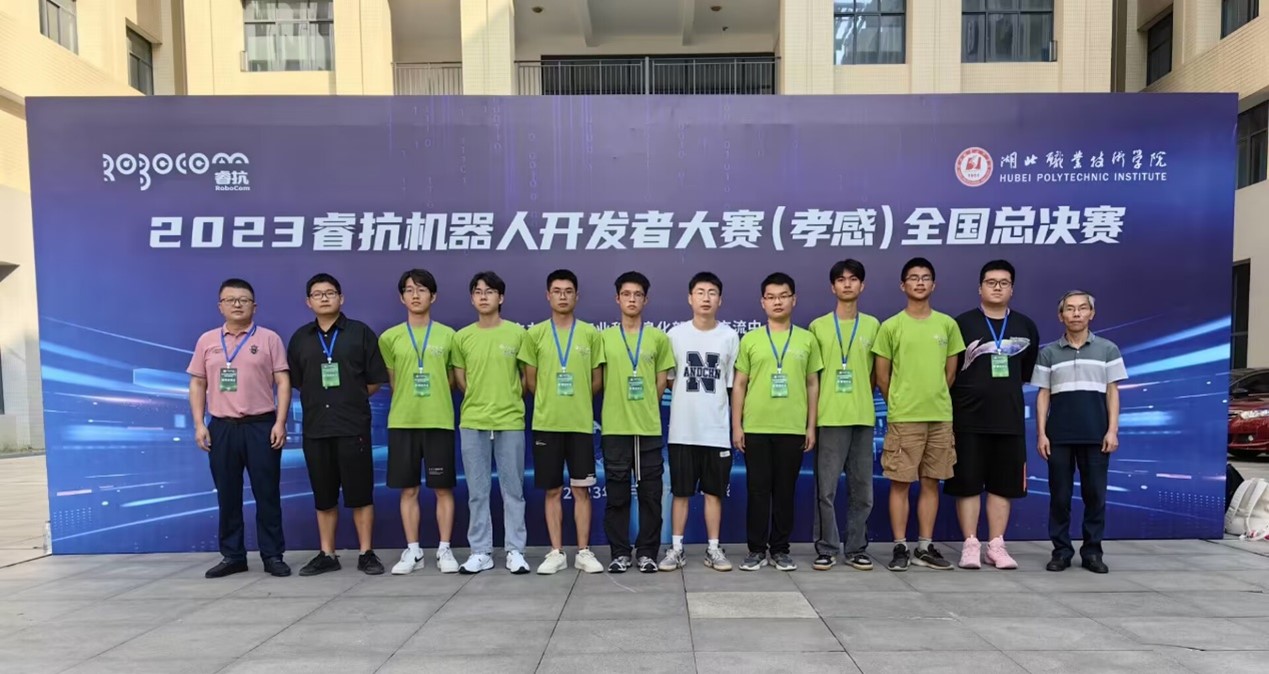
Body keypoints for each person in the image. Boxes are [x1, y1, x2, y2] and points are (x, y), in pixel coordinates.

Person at [187, 279, 292, 579]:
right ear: (220, 306)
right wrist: (199, 423)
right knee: (228, 494)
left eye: (243, 299)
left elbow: (283, 381)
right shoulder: (207, 340)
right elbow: (198, 383)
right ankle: (233, 556)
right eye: (230, 299)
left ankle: (273, 555)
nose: (237, 304)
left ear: (254, 306)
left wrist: (280, 422)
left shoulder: (269, 339)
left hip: (261, 425)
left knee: (267, 494)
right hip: (222, 427)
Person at [287, 273, 389, 576]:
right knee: (324, 496)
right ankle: (327, 554)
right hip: (316, 428)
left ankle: (366, 553)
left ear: (341, 298)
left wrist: (349, 397)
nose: (324, 298)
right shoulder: (300, 338)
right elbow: (298, 381)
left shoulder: (360, 333)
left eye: (330, 293)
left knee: (360, 494)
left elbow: (374, 380)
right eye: (317, 294)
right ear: (308, 302)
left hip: (352, 427)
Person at [872, 257, 965, 572]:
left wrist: (933, 397)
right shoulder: (891, 326)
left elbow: (950, 373)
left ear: (933, 284)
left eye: (926, 277)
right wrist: (900, 403)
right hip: (904, 418)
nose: (920, 282)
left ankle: (924, 546)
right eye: (913, 277)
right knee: (900, 483)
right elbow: (882, 377)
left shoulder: (947, 325)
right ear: (903, 285)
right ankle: (900, 546)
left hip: (940, 417)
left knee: (931, 482)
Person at [948, 260, 1040, 570]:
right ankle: (971, 543)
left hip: (1008, 418)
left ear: (1012, 289)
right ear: (980, 288)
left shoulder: (1025, 326)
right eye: (991, 282)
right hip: (967, 418)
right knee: (968, 483)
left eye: (1004, 282)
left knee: (1003, 485)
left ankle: (996, 545)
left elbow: (1025, 373)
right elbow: (950, 370)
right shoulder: (961, 324)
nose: (997, 287)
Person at [732, 272, 823, 572]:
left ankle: (781, 549)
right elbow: (740, 384)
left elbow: (812, 383)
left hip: (792, 427)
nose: (777, 302)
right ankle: (756, 550)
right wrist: (737, 426)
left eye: (783, 296)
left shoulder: (807, 339)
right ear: (763, 302)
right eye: (771, 297)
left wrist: (810, 426)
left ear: (793, 300)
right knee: (758, 491)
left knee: (785, 492)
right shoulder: (751, 339)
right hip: (756, 427)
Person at [519, 269, 606, 574]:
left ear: (576, 296)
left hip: (581, 425)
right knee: (552, 490)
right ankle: (556, 552)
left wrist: (576, 399)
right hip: (547, 424)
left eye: (568, 291)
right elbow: (530, 381)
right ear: (548, 296)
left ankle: (583, 551)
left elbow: (597, 379)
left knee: (582, 490)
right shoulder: (535, 334)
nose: (563, 296)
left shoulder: (590, 334)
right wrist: (552, 401)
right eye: (557, 291)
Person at [1032, 290, 1126, 574]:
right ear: (1060, 316)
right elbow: (1043, 395)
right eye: (1070, 309)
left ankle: (1092, 552)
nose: (1076, 313)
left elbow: (1112, 392)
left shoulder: (1108, 349)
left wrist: (1112, 430)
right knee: (1059, 497)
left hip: (1096, 435)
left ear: (1091, 314)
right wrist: (1041, 433)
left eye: (1082, 308)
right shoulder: (1049, 352)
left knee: (1095, 496)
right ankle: (1061, 552)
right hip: (1058, 436)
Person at [378, 269, 459, 575]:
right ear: (402, 297)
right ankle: (413, 551)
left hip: (439, 421)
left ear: (433, 296)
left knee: (443, 489)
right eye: (409, 290)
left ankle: (444, 548)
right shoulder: (389, 338)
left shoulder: (449, 336)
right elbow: (393, 381)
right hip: (403, 421)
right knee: (408, 490)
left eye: (422, 289)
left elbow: (452, 379)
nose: (415, 295)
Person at [452, 271, 531, 575]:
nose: (483, 296)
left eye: (489, 291)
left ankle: (515, 550)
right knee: (477, 491)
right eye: (477, 291)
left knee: (513, 490)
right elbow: (460, 379)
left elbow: (525, 378)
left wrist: (507, 399)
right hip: (473, 421)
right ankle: (480, 551)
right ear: (472, 298)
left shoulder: (517, 334)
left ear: (501, 297)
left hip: (510, 420)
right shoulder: (462, 337)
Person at [660, 272, 739, 573]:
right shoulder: (675, 335)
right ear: (690, 298)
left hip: (716, 431)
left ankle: (713, 549)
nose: (706, 298)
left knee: (714, 493)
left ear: (720, 299)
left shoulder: (729, 336)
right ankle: (676, 549)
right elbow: (670, 380)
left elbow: (732, 384)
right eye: (700, 292)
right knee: (680, 492)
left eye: (712, 292)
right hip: (683, 430)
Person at [808, 260, 881, 572]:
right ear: (832, 287)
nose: (847, 284)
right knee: (825, 491)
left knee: (862, 490)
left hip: (862, 417)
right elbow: (812, 377)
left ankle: (856, 548)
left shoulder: (874, 326)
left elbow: (877, 374)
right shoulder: (818, 327)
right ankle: (826, 548)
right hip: (829, 417)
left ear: (862, 285)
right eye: (840, 279)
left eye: (853, 279)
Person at [599, 271, 675, 574]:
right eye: (626, 294)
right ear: (617, 298)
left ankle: (646, 553)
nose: (632, 299)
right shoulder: (603, 338)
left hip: (648, 429)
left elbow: (662, 381)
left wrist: (644, 408)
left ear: (646, 299)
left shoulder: (658, 338)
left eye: (638, 294)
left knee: (651, 496)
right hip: (615, 428)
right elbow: (596, 380)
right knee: (617, 497)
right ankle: (619, 553)